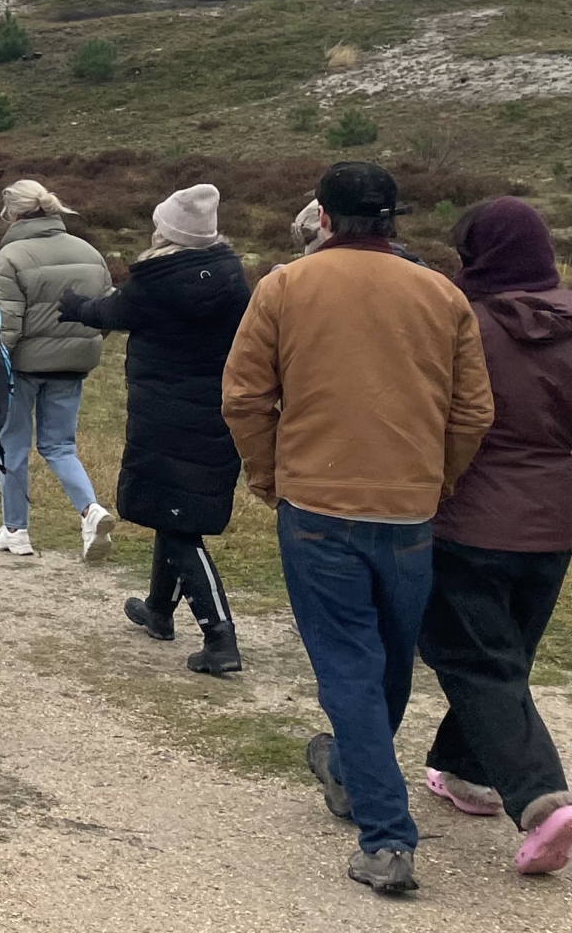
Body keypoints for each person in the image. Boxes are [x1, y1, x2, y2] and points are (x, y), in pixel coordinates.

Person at [222, 161, 493, 896]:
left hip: (317, 508)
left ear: (326, 216)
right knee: (388, 663)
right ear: (393, 218)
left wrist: (269, 475)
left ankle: (386, 835)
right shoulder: (443, 294)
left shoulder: (284, 286)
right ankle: (349, 771)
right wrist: (438, 481)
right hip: (408, 510)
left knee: (350, 670)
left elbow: (245, 397)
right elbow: (473, 413)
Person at [415, 197, 572, 874]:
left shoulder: (462, 323)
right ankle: (462, 770)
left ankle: (541, 798)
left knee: (474, 658)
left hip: (471, 518)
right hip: (556, 523)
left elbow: (437, 415)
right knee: (504, 656)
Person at [57, 184, 251, 676]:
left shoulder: (155, 280)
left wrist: (75, 304)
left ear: (167, 231)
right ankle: (159, 611)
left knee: (179, 522)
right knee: (176, 511)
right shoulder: (233, 276)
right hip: (217, 410)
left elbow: (111, 313)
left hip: (165, 413)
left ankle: (220, 636)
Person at [0, 179, 117, 560]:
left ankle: (16, 530)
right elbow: (107, 311)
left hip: (24, 365)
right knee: (60, 446)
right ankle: (90, 511)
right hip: (73, 364)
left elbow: (8, 325)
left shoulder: (11, 256)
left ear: (12, 213)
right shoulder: (90, 252)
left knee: (12, 445)